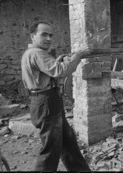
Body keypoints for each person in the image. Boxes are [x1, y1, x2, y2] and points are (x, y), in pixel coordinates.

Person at [21, 22, 91, 171]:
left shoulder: (35, 53)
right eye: (44, 34)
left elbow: (49, 71)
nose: (48, 38)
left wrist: (59, 60)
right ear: (33, 36)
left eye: (50, 35)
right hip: (46, 102)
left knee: (68, 142)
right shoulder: (36, 53)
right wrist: (78, 56)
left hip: (48, 100)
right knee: (51, 149)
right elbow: (60, 72)